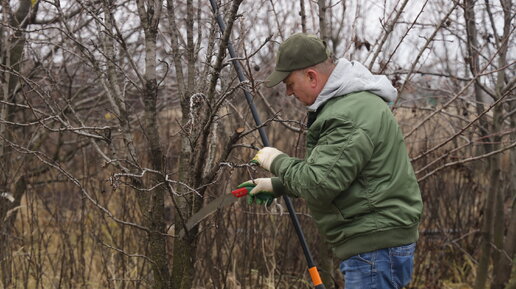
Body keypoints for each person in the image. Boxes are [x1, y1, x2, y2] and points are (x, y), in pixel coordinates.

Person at [238, 33, 423, 288]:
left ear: (312, 77)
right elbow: (337, 174)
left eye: (290, 83)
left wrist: (276, 160)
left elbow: (319, 184)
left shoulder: (348, 113)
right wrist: (278, 185)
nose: (289, 92)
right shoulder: (350, 105)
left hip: (374, 249)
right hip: (377, 246)